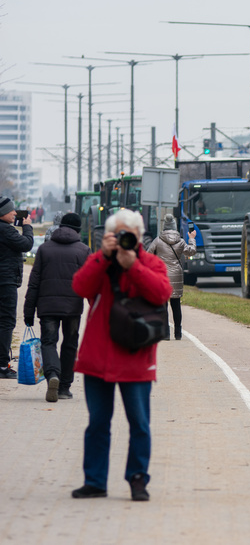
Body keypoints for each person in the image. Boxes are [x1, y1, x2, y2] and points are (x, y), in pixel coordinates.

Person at [71, 209, 172, 501]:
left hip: (135, 355)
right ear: (109, 236)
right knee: (98, 423)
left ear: (140, 236)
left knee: (139, 424)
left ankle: (138, 479)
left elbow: (162, 293)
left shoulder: (151, 263)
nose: (126, 239)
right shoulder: (100, 261)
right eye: (119, 234)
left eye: (130, 234)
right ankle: (95, 481)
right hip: (98, 356)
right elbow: (80, 287)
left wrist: (134, 267)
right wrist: (103, 256)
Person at [23, 213, 90, 401]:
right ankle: (64, 388)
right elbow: (91, 282)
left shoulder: (44, 249)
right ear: (78, 230)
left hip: (47, 307)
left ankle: (52, 375)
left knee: (49, 342)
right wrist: (95, 309)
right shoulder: (84, 250)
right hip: (73, 308)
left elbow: (34, 283)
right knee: (69, 344)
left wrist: (28, 311)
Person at [146, 214, 197, 340]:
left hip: (161, 276)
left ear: (164, 227)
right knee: (176, 305)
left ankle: (166, 334)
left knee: (163, 306)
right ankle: (178, 334)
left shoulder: (158, 240)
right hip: (176, 275)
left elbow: (147, 255)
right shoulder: (180, 241)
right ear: (175, 227)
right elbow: (191, 251)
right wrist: (192, 239)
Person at [0, 196, 33, 379]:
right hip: (5, 282)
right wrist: (27, 227)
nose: (14, 213)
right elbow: (27, 244)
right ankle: (3, 365)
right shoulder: (5, 230)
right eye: (11, 210)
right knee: (6, 321)